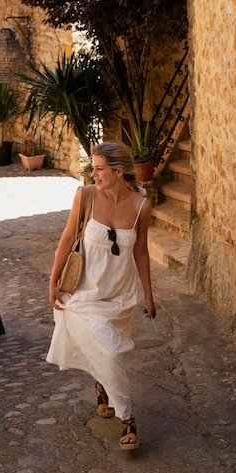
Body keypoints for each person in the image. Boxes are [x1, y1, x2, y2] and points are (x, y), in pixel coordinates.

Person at [46, 140, 156, 450]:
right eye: (93, 168)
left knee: (111, 350)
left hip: (119, 294)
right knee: (107, 352)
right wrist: (53, 282)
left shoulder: (141, 206)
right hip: (84, 293)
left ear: (118, 172)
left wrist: (149, 294)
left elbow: (142, 252)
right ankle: (128, 418)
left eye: (99, 169)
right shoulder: (85, 196)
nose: (93, 174)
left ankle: (102, 386)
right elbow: (67, 239)